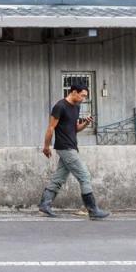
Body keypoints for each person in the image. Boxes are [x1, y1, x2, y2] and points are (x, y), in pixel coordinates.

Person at [38, 84, 110, 220]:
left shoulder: (76, 107)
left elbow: (75, 128)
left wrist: (86, 123)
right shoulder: (60, 106)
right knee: (84, 176)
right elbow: (50, 128)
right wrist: (46, 147)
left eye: (85, 96)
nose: (83, 98)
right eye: (82, 95)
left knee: (59, 177)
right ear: (74, 92)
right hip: (64, 147)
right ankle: (92, 210)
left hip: (72, 146)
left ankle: (45, 205)